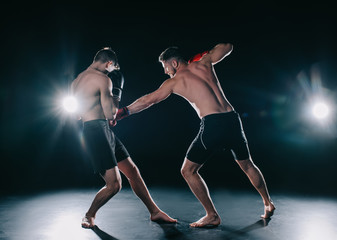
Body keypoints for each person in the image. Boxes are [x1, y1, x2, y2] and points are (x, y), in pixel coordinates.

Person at [114, 43, 275, 228]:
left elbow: (148, 100)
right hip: (232, 119)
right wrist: (204, 55)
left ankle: (212, 215)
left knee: (188, 171)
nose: (166, 72)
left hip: (213, 125)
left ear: (174, 63)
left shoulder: (174, 82)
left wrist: (123, 112)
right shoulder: (205, 63)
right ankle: (268, 203)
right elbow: (228, 46)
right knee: (247, 165)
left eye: (166, 67)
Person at [71, 47, 176, 228]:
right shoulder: (104, 79)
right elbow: (111, 114)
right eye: (112, 68)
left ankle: (155, 212)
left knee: (132, 171)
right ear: (109, 63)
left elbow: (77, 115)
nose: (112, 72)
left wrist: (98, 113)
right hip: (97, 132)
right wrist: (117, 92)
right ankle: (89, 215)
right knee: (114, 185)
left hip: (97, 129)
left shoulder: (76, 81)